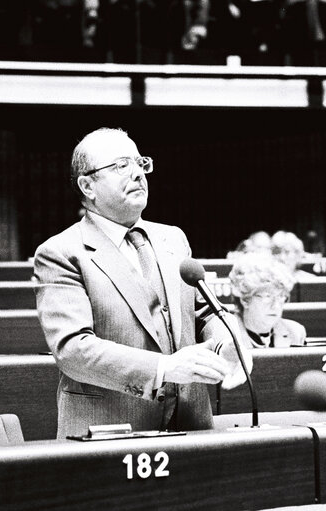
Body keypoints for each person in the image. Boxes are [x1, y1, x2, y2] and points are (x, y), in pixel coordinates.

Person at [33, 127, 243, 438]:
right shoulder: (61, 252)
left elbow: (206, 313)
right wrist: (164, 368)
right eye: (121, 165)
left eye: (140, 163)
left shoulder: (173, 238)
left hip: (191, 426)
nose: (138, 174)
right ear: (87, 185)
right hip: (107, 432)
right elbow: (73, 350)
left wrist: (228, 343)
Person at [226, 253, 306, 348]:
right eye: (267, 297)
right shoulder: (226, 335)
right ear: (245, 300)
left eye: (281, 296)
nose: (276, 306)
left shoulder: (295, 332)